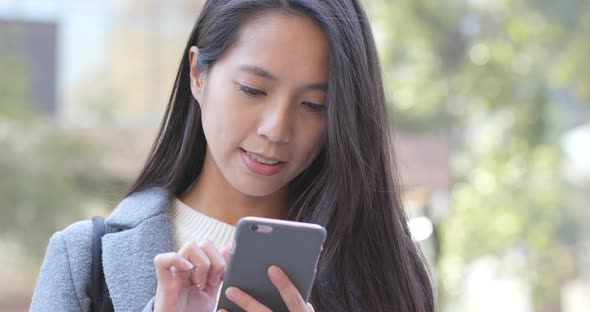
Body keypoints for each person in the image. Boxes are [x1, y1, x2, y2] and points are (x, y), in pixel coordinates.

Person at [31, 0, 434, 311]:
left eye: (314, 105)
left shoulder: (383, 272)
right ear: (197, 74)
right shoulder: (85, 259)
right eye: (253, 90)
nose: (276, 129)